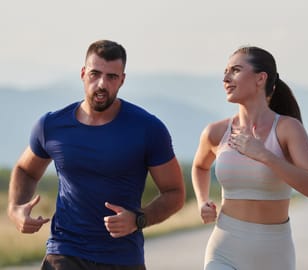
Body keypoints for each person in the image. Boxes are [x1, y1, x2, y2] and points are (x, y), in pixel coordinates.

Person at [7, 40, 186, 270]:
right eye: (95, 74)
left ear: (122, 80)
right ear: (83, 73)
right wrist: (15, 208)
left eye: (111, 77)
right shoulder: (51, 125)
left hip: (122, 259)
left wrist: (138, 219)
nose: (102, 84)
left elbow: (175, 193)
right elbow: (25, 170)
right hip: (64, 253)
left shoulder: (148, 129)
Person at [192, 46, 308, 270]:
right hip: (224, 249)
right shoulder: (215, 132)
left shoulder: (287, 129)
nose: (225, 78)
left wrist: (264, 155)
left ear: (260, 78)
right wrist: (202, 201)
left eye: (235, 70)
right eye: (225, 71)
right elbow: (199, 166)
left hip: (274, 254)